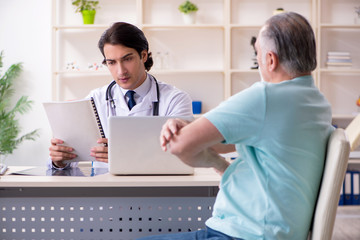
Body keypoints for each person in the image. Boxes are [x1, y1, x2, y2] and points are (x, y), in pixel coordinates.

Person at [139, 12, 334, 240]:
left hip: (243, 234)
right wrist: (188, 125)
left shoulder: (266, 98)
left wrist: (221, 166)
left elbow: (179, 145)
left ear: (270, 60)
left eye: (257, 54)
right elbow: (225, 142)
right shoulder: (317, 103)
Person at [48, 22, 193, 169]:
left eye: (127, 59)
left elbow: (184, 156)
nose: (120, 71)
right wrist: (59, 161)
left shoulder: (175, 100)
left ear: (143, 55)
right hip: (105, 188)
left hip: (155, 188)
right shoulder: (94, 100)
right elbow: (72, 162)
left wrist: (125, 156)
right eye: (112, 62)